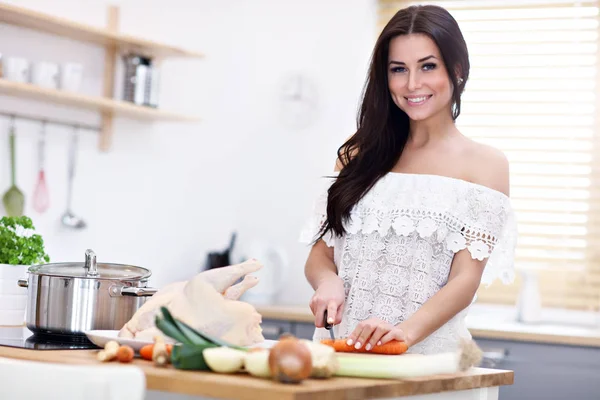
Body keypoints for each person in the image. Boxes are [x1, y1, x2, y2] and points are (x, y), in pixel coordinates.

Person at [299, 4, 517, 355]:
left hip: (422, 359)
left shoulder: (485, 165)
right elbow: (321, 254)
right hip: (338, 354)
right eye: (398, 69)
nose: (412, 84)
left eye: (427, 66)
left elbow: (465, 279)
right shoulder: (356, 157)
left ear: (457, 70)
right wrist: (328, 282)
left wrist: (402, 334)